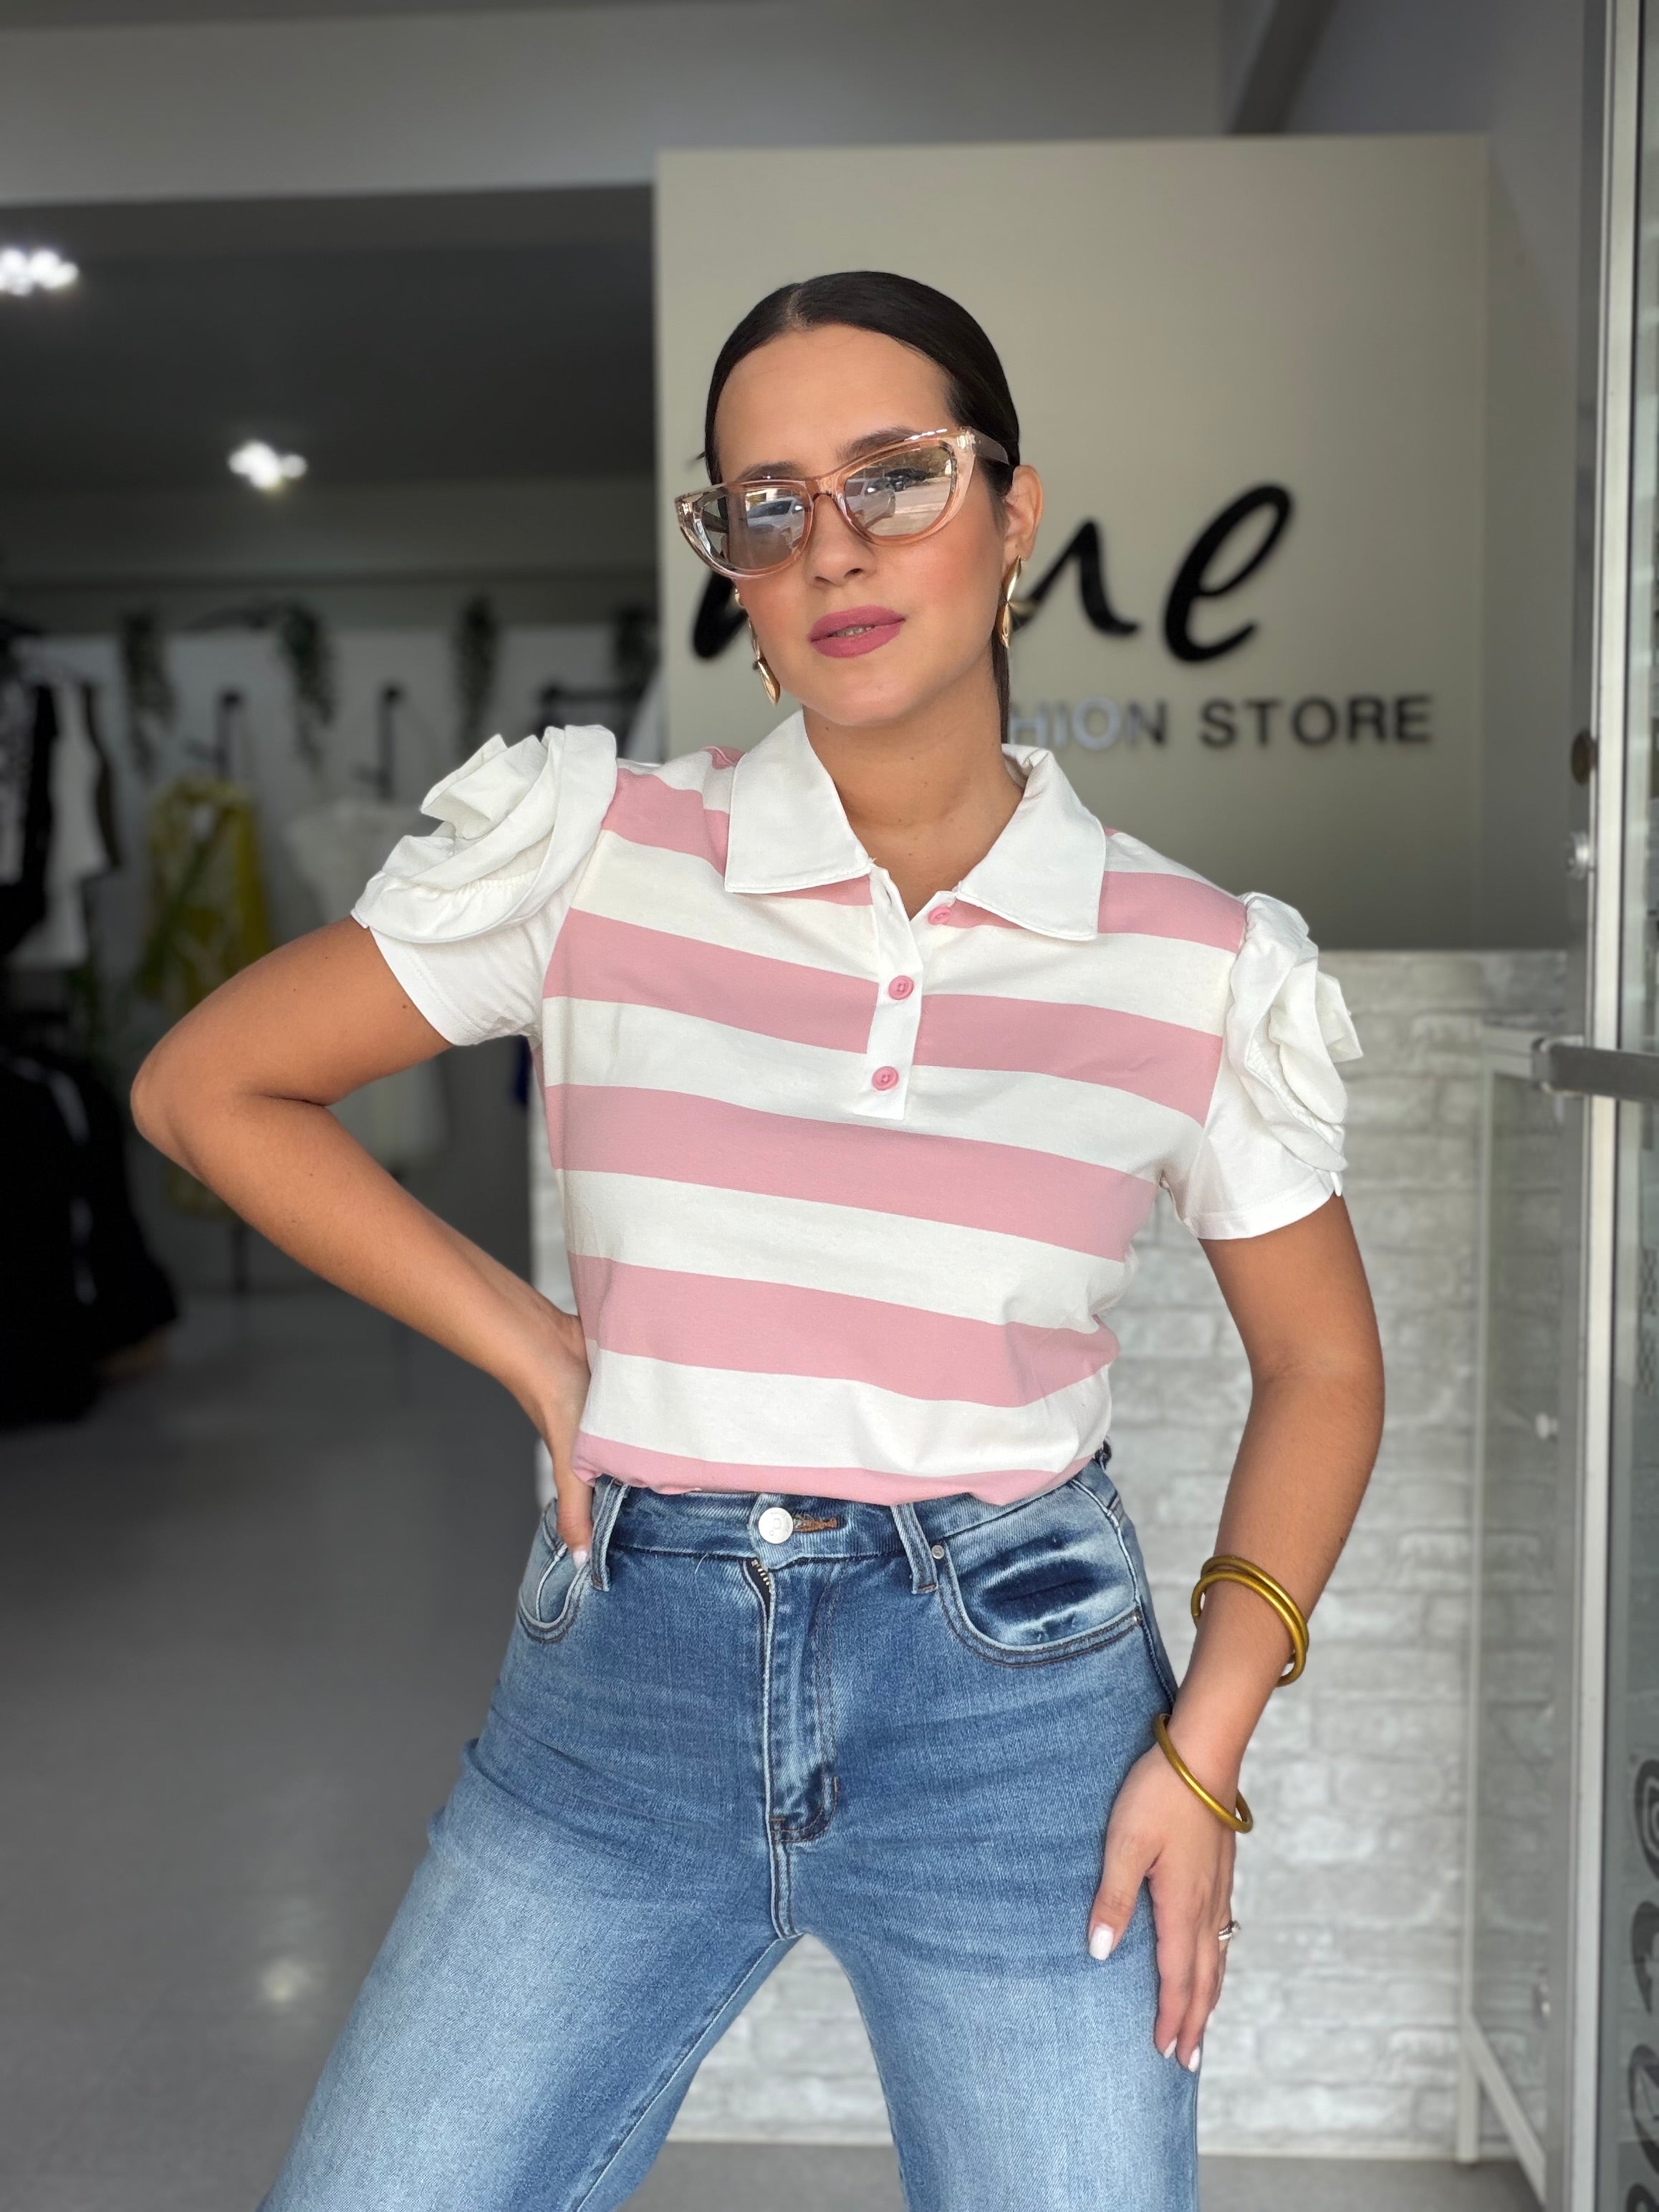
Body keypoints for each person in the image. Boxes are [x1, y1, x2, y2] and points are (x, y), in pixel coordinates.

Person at [133, 270, 1385, 2212]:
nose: (832, 550)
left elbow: (1323, 1364)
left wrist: (1204, 1750)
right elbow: (208, 1085)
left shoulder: (1194, 961)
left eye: (894, 477)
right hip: (618, 1702)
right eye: (766, 506)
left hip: (1017, 1718)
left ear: (1014, 510)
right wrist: (535, 1345)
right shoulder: (598, 849)